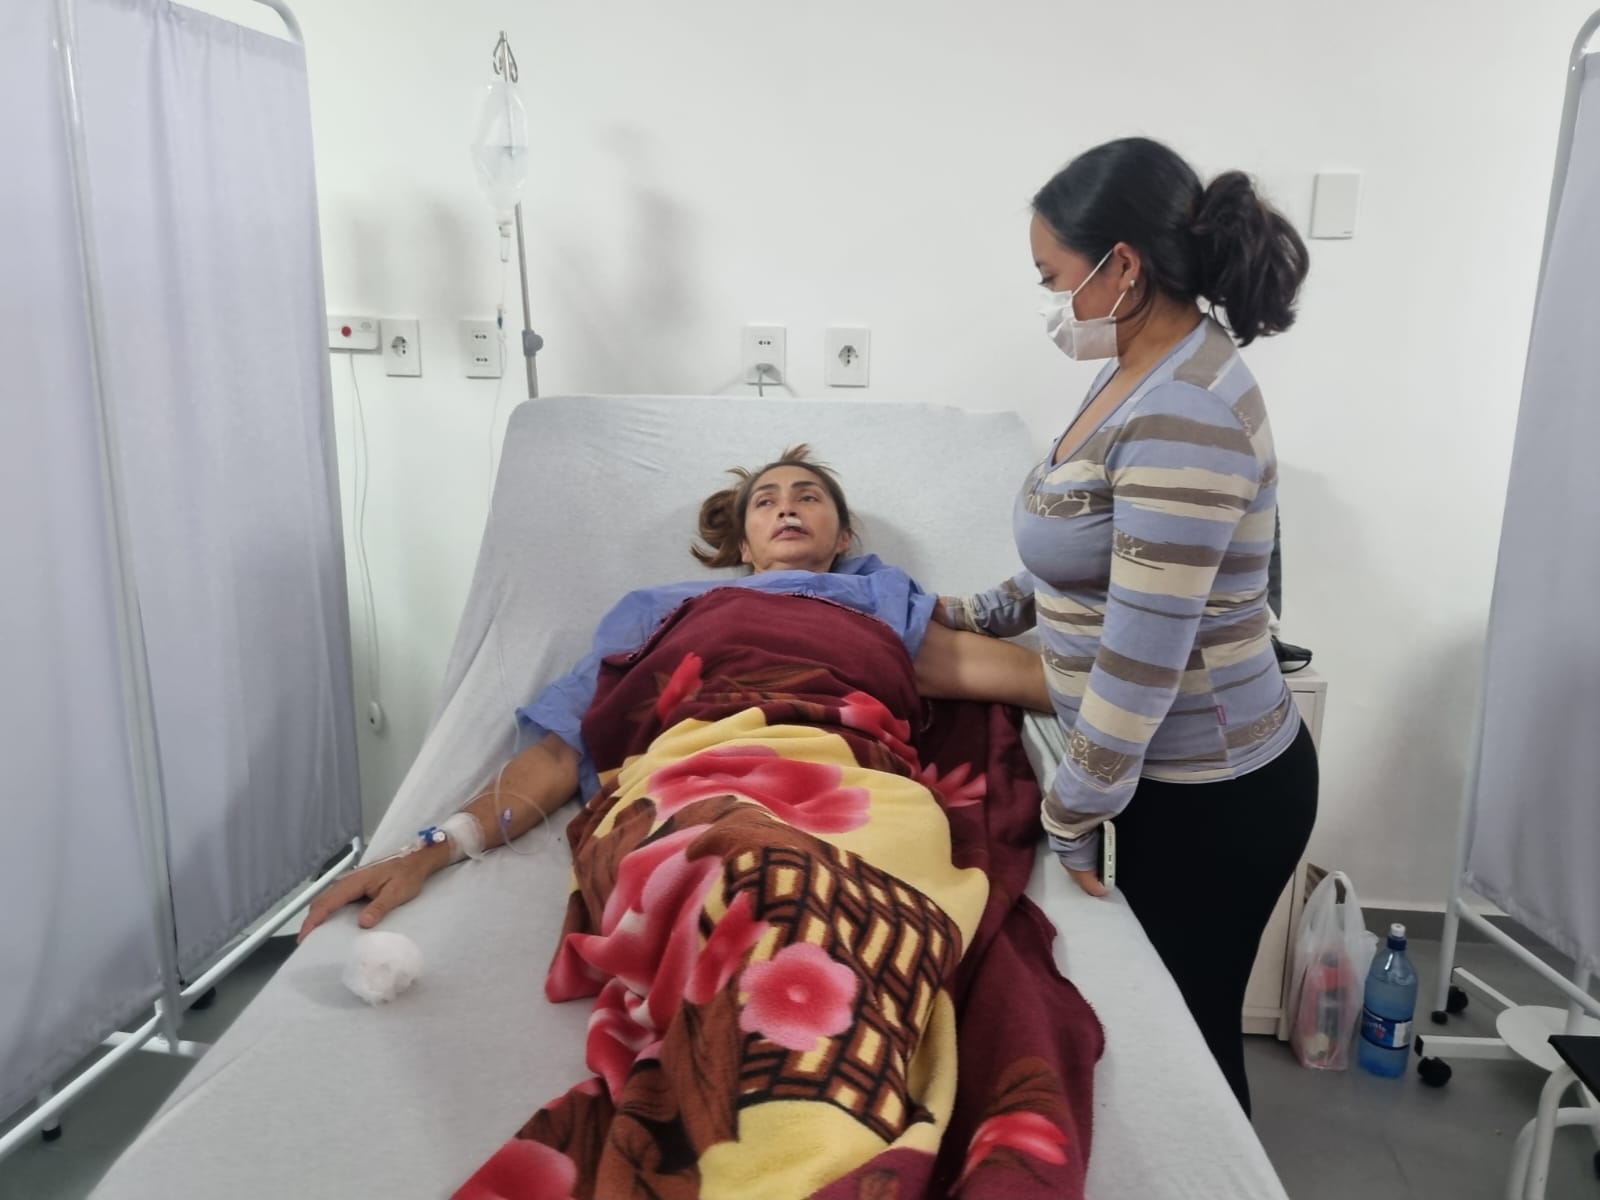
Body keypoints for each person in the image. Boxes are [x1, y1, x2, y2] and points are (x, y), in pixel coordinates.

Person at [938, 137, 1319, 1113]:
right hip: (1163, 779)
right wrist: (973, 612)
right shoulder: (1137, 369)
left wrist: (1071, 811)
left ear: (1122, 267)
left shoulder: (1185, 409)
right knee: (1169, 1036)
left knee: (1191, 1052)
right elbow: (1083, 546)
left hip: (1214, 794)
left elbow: (1141, 658)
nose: (1048, 302)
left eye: (1051, 277)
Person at [299, 445, 1048, 940]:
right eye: (766, 502)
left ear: (843, 537)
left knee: (825, 896)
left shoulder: (877, 605)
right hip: (690, 781)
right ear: (743, 544)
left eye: (808, 497)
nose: (787, 507)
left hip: (842, 784)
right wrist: (434, 847)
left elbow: (1038, 681)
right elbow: (562, 755)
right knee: (738, 878)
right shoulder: (663, 611)